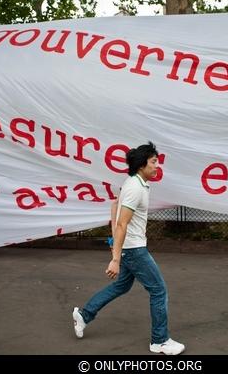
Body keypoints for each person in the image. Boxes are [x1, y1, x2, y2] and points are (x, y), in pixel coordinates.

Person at [72, 142, 185, 355]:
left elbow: (114, 207)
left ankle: (85, 315)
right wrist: (116, 257)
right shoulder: (135, 187)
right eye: (153, 162)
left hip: (128, 248)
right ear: (142, 164)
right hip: (134, 250)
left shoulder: (134, 183)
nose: (157, 166)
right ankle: (159, 341)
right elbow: (122, 222)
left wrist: (115, 246)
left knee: (121, 286)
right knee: (158, 290)